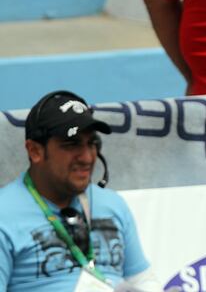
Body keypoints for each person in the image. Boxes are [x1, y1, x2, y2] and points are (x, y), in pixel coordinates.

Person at [0, 91, 161, 291]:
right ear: (35, 151)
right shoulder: (4, 215)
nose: (87, 157)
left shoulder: (112, 204)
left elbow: (142, 279)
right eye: (71, 144)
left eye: (92, 143)